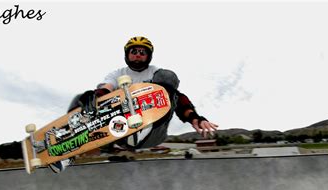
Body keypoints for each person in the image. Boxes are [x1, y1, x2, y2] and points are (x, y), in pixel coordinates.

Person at [50, 36, 218, 172]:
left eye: (142, 52)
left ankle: (140, 130)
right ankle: (67, 149)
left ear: (149, 56)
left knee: (167, 79)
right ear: (127, 54)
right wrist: (94, 97)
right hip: (121, 130)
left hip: (153, 131)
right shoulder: (117, 74)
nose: (138, 54)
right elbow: (106, 89)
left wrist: (194, 117)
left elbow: (177, 99)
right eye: (134, 51)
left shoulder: (155, 72)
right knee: (83, 98)